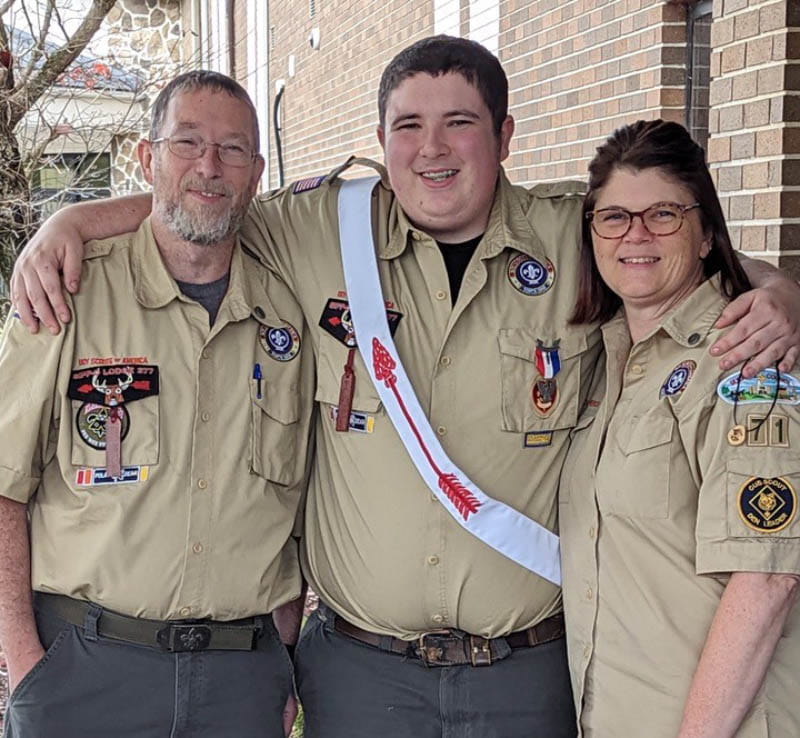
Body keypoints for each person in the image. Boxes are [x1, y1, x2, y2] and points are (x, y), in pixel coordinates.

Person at [9, 37, 800, 738]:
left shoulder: (576, 231)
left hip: (527, 675)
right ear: (381, 141)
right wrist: (69, 225)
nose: (433, 150)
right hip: (361, 677)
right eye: (408, 127)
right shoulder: (316, 230)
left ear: (505, 137)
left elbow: (674, 253)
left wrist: (781, 296)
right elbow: (199, 202)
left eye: (460, 122)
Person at [0, 71, 315, 738]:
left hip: (240, 681)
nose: (209, 166)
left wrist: (282, 655)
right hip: (84, 670)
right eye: (187, 142)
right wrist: (26, 663)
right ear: (146, 158)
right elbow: (4, 486)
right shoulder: (66, 292)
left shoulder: (291, 308)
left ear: (256, 173)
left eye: (232, 149)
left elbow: (293, 506)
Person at [560, 119, 800, 737]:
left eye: (663, 214)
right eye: (614, 217)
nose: (635, 235)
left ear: (704, 235)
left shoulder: (746, 356)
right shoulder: (611, 359)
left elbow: (768, 576)